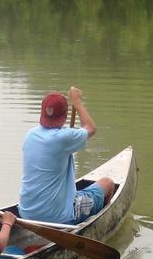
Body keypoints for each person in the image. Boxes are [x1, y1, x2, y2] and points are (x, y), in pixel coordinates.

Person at [19, 87, 115, 225]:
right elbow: (90, 128)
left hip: (26, 212)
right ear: (64, 117)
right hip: (59, 217)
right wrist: (77, 102)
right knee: (108, 183)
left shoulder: (31, 134)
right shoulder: (64, 138)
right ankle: (104, 224)